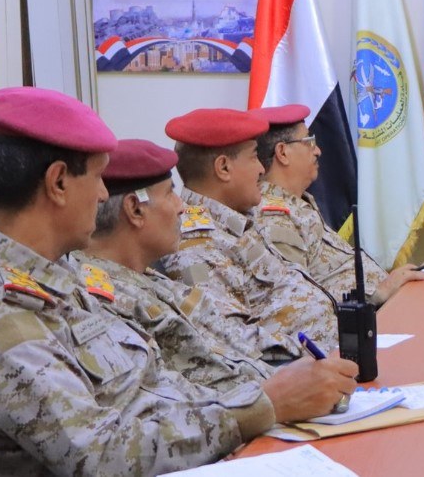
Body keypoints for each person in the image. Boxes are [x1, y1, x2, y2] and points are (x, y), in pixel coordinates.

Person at [0, 87, 355, 475]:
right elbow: (100, 456)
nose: (103, 195)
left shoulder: (58, 276)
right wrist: (263, 406)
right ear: (58, 183)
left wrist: (271, 394)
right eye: (97, 177)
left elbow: (156, 388)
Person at [79, 138, 300, 380]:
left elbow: (235, 342)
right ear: (135, 209)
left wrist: (304, 362)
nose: (181, 207)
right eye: (170, 193)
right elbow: (178, 391)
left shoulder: (153, 281)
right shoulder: (101, 300)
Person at [156, 107, 345, 351]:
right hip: (304, 363)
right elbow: (230, 343)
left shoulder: (239, 220)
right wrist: (307, 357)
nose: (261, 169)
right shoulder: (195, 245)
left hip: (333, 347)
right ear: (224, 168)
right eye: (254, 157)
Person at [251, 104, 424, 306]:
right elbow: (295, 300)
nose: (318, 151)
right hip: (356, 320)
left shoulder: (298, 202)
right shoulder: (274, 217)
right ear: (282, 153)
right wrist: (378, 292)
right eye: (309, 142)